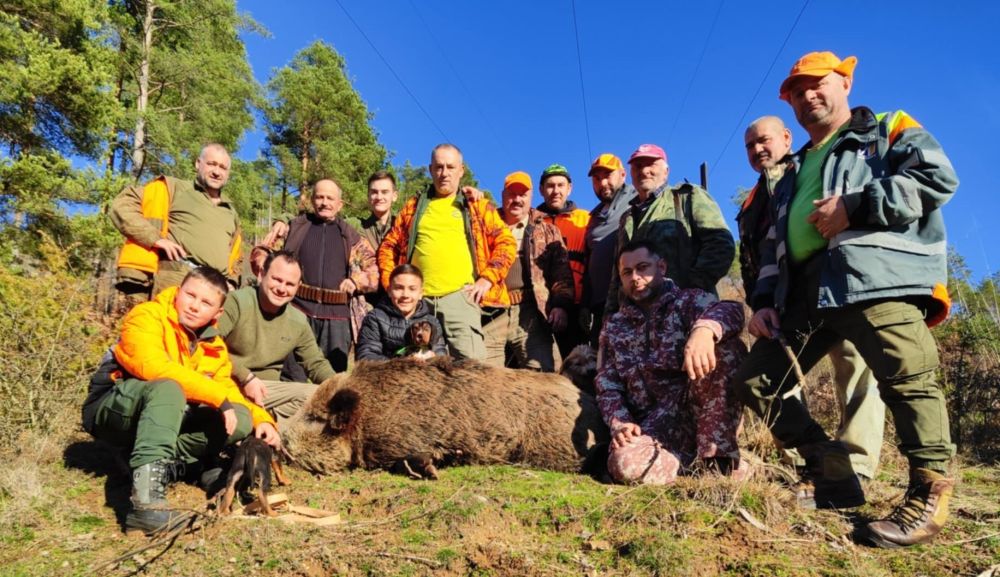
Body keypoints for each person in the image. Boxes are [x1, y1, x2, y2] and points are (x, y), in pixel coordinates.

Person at [735, 51, 958, 547]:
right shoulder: (791, 171)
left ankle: (929, 494)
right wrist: (766, 298)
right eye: (796, 90)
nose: (807, 94)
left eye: (817, 84)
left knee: (908, 379)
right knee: (755, 379)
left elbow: (936, 177)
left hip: (873, 278)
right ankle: (835, 475)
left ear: (845, 83)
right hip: (805, 293)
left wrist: (854, 207)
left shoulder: (886, 129)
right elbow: (773, 243)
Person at [739, 116, 885, 480]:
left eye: (764, 140)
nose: (758, 150)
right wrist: (760, 304)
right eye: (750, 146)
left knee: (855, 367)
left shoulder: (811, 167)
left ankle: (857, 462)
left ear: (787, 138)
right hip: (786, 296)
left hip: (841, 281)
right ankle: (811, 461)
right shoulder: (752, 201)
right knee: (774, 377)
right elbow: (754, 258)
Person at [81, 267, 279, 534]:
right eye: (190, 295)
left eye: (206, 302)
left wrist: (262, 419)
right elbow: (153, 367)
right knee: (169, 388)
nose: (195, 306)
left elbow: (227, 389)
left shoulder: (214, 345)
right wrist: (217, 397)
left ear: (217, 313)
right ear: (178, 292)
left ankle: (176, 465)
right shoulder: (147, 316)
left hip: (164, 414)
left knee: (241, 418)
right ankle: (147, 507)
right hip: (114, 408)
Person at [596, 240, 746, 484]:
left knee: (727, 348)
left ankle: (718, 460)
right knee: (624, 464)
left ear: (661, 267)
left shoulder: (688, 302)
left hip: (700, 416)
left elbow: (732, 311)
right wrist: (621, 424)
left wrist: (705, 330)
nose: (635, 277)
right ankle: (718, 469)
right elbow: (607, 385)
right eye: (627, 272)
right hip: (653, 426)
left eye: (643, 267)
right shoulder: (613, 326)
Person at [378, 144, 516, 360]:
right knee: (415, 370)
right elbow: (388, 246)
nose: (444, 173)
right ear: (431, 169)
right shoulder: (413, 207)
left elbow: (506, 243)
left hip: (459, 298)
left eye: (450, 167)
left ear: (461, 171)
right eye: (439, 167)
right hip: (417, 303)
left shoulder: (476, 206)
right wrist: (391, 284)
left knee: (472, 370)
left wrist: (487, 280)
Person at [261, 178, 378, 373]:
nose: (324, 202)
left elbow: (374, 272)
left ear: (339, 204)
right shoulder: (295, 227)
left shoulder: (351, 235)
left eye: (330, 198)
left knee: (332, 380)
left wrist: (356, 281)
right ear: (312, 200)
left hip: (338, 319)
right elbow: (264, 251)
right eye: (319, 197)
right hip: (297, 311)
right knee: (292, 375)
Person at [607, 144, 734, 314]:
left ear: (666, 171)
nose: (644, 170)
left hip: (688, 313)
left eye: (651, 164)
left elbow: (720, 244)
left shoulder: (687, 196)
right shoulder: (626, 218)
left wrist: (691, 290)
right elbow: (618, 273)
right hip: (635, 321)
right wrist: (611, 314)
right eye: (638, 166)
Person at [110, 143, 245, 301]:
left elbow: (237, 258)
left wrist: (231, 282)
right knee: (162, 325)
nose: (216, 171)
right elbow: (122, 205)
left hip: (215, 291)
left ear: (228, 173)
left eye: (222, 167)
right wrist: (156, 239)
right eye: (211, 164)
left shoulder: (231, 212)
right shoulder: (174, 188)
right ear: (197, 163)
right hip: (176, 280)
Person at [216, 251, 336, 428]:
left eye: (289, 284)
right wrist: (245, 377)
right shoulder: (237, 302)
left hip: (267, 392)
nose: (282, 288)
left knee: (328, 399)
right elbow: (210, 345)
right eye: (277, 280)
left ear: (298, 286)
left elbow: (316, 363)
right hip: (229, 381)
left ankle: (263, 430)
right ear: (261, 274)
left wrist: (343, 386)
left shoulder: (298, 320)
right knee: (310, 395)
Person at [483, 171, 575, 371]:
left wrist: (561, 306)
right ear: (503, 195)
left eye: (522, 194)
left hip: (531, 311)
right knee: (483, 373)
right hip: (491, 309)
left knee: (544, 373)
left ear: (531, 197)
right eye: (511, 194)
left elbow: (562, 273)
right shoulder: (485, 223)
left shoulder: (547, 229)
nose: (517, 199)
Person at [535, 164, 591, 358]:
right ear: (541, 190)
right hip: (539, 307)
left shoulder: (586, 219)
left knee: (578, 364)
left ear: (570, 188)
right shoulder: (533, 221)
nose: (556, 191)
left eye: (561, 185)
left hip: (577, 306)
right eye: (550, 186)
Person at [583, 153, 637, 346]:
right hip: (600, 307)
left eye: (608, 175)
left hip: (630, 301)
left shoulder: (636, 199)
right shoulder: (593, 217)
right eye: (597, 179)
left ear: (623, 175)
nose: (602, 182)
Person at [356, 264, 448, 361]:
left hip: (424, 374)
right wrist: (404, 363)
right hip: (386, 374)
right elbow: (366, 356)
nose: (405, 295)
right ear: (389, 291)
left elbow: (441, 353)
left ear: (421, 293)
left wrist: (433, 357)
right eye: (399, 288)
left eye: (412, 289)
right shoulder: (374, 318)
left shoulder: (432, 321)